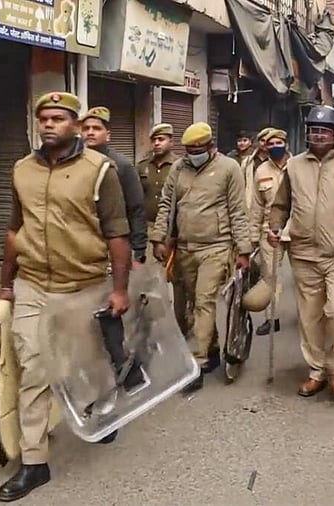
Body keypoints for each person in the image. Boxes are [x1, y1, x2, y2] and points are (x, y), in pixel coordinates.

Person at [0, 91, 132, 502]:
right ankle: (34, 462)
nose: (49, 124)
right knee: (33, 367)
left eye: (58, 118)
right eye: (44, 118)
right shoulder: (21, 170)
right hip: (33, 283)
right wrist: (6, 286)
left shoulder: (100, 170)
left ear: (75, 124)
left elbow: (117, 233)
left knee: (88, 360)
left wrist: (120, 289)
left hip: (84, 284)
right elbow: (12, 232)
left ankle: (103, 410)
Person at [268, 105, 334, 399]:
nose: (317, 135)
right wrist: (275, 227)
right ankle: (316, 371)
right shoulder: (293, 166)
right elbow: (280, 205)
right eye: (313, 130)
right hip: (302, 252)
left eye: (323, 131)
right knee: (310, 316)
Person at [150, 122, 253, 393]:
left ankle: (197, 361)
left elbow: (238, 211)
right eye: (189, 149)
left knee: (204, 301)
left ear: (210, 146)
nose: (193, 153)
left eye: (198, 149)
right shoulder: (178, 168)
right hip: (184, 247)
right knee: (193, 302)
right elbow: (165, 205)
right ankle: (214, 348)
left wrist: (244, 250)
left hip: (216, 247)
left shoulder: (229, 168)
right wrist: (159, 238)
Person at [136, 123, 192, 336]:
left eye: (162, 139)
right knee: (150, 279)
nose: (157, 144)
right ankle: (153, 325)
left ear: (171, 141)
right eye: (154, 140)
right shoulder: (142, 167)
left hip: (175, 232)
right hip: (150, 230)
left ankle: (180, 325)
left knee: (177, 281)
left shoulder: (180, 166)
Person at [81, 106, 148, 264]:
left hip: (113, 243)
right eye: (86, 128)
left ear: (108, 135)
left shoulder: (121, 165)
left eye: (96, 128)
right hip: (82, 243)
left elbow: (136, 208)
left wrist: (139, 248)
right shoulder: (73, 164)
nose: (90, 132)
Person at [249, 129, 290, 336]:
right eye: (270, 144)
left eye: (278, 143)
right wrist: (253, 237)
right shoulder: (261, 171)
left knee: (306, 277)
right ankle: (271, 319)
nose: (275, 147)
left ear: (286, 144)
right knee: (270, 276)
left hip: (298, 230)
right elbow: (256, 206)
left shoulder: (298, 166)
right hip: (270, 231)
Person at [242, 127, 274, 213]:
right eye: (262, 140)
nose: (265, 143)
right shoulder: (248, 162)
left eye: (268, 141)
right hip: (251, 206)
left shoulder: (278, 162)